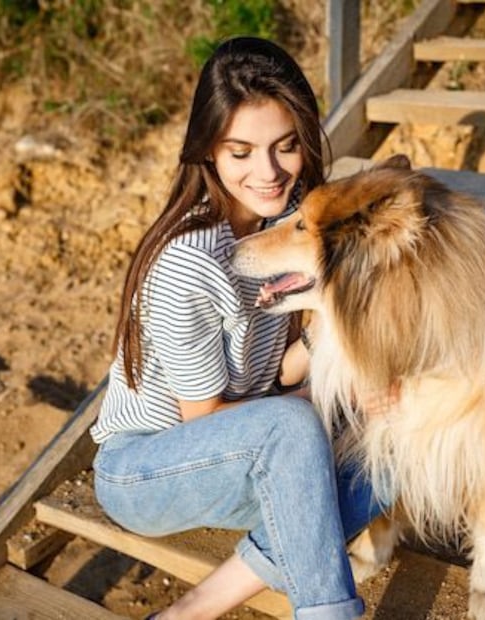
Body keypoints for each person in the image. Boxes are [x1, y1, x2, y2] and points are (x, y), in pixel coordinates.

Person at [89, 37, 382, 620]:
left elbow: (272, 374)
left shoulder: (289, 219)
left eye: (286, 146)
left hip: (253, 443)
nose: (268, 172)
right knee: (302, 421)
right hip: (147, 468)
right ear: (208, 150)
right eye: (241, 151)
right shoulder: (191, 263)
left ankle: (191, 610)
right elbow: (211, 416)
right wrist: (335, 394)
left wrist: (328, 329)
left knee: (396, 440)